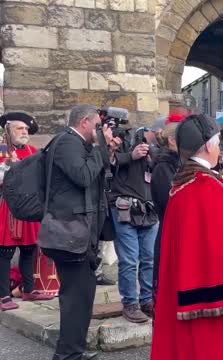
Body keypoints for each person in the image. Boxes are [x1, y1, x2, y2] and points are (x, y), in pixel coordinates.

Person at [151, 114, 223, 360]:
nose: (219, 148)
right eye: (219, 142)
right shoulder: (206, 188)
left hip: (185, 288)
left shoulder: (183, 184)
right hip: (209, 305)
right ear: (210, 145)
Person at [38, 104, 119, 360]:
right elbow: (83, 176)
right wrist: (99, 148)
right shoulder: (66, 143)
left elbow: (97, 176)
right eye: (96, 125)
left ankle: (73, 350)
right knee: (74, 299)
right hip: (69, 234)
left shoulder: (79, 145)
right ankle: (67, 355)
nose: (99, 130)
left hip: (80, 234)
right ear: (85, 122)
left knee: (82, 297)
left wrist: (107, 150)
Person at [0, 112, 54, 310]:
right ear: (9, 131)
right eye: (19, 129)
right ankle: (3, 295)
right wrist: (7, 166)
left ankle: (28, 289)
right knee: (4, 253)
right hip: (8, 207)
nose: (24, 132)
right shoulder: (2, 150)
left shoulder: (33, 151)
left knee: (29, 249)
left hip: (31, 207)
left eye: (26, 129)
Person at [109, 125, 159, 322]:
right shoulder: (123, 139)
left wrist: (152, 159)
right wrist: (132, 155)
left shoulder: (160, 149)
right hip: (125, 207)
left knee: (149, 259)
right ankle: (130, 304)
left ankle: (147, 301)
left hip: (149, 208)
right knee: (129, 260)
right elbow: (109, 162)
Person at [150, 113, 184, 301]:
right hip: (169, 234)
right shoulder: (163, 168)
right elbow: (172, 203)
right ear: (172, 140)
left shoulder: (178, 164)